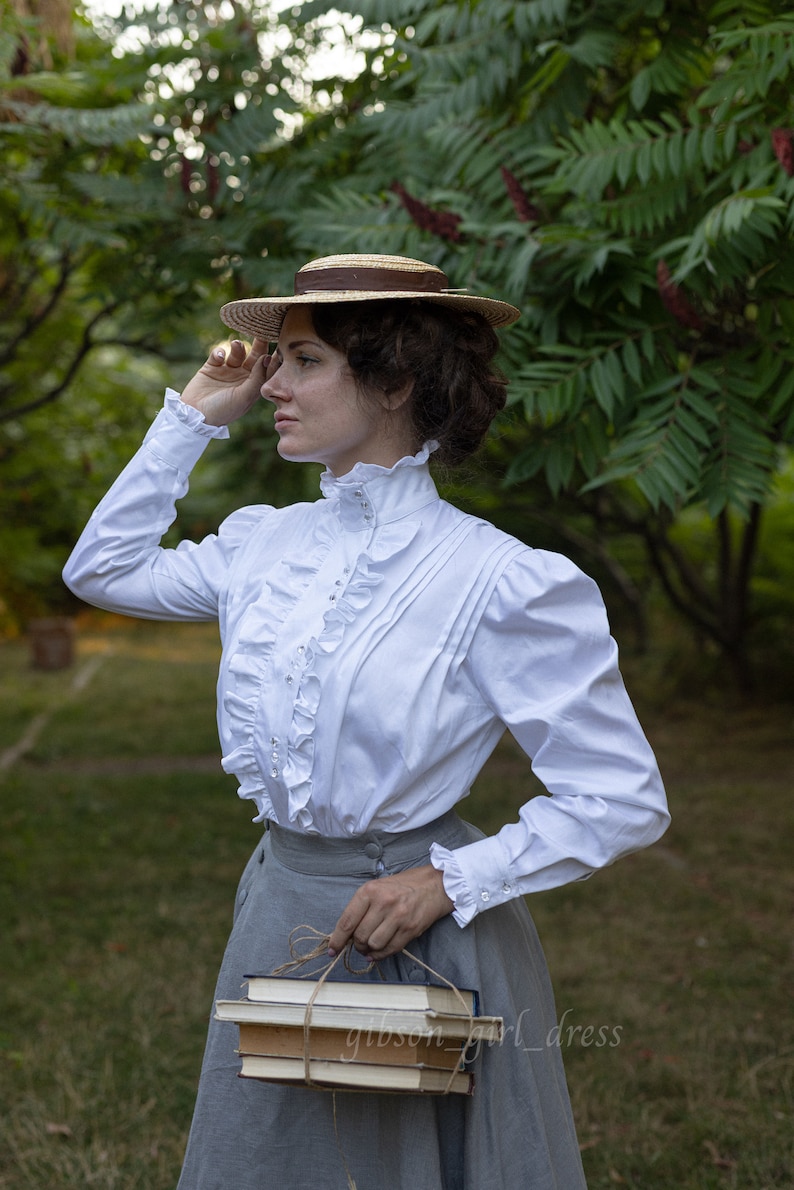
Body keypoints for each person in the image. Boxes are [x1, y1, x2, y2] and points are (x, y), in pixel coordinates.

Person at [63, 252, 669, 1190]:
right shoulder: (262, 545)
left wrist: (447, 879)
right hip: (280, 913)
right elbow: (99, 571)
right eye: (277, 362)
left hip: (417, 935)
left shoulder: (499, 581)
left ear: (393, 381)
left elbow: (622, 797)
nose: (269, 384)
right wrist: (188, 418)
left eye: (303, 361)